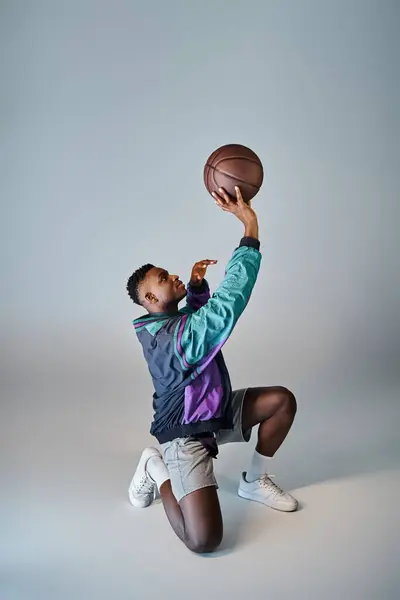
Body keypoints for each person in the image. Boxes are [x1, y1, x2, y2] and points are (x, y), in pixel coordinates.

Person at [126, 186, 298, 554]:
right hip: (185, 435)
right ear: (152, 300)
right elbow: (227, 304)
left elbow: (195, 317)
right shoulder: (175, 338)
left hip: (212, 413)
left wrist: (196, 287)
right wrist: (249, 230)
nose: (173, 276)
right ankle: (155, 468)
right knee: (203, 540)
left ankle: (253, 480)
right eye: (164, 279)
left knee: (281, 402)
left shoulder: (170, 323)